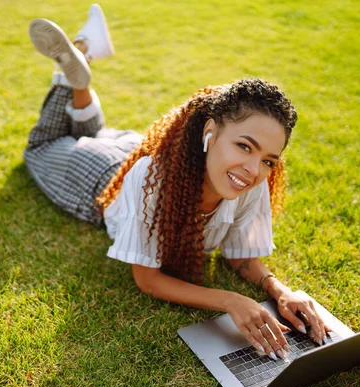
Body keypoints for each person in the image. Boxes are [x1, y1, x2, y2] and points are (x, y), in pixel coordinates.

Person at [25, 4, 331, 362]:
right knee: (43, 145)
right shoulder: (151, 179)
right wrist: (230, 299)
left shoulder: (251, 182)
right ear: (210, 132)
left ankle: (84, 65)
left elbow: (241, 255)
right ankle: (76, 63)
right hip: (103, 177)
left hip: (136, 150)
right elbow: (148, 279)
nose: (253, 169)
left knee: (92, 132)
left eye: (267, 160)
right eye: (244, 146)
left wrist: (279, 291)